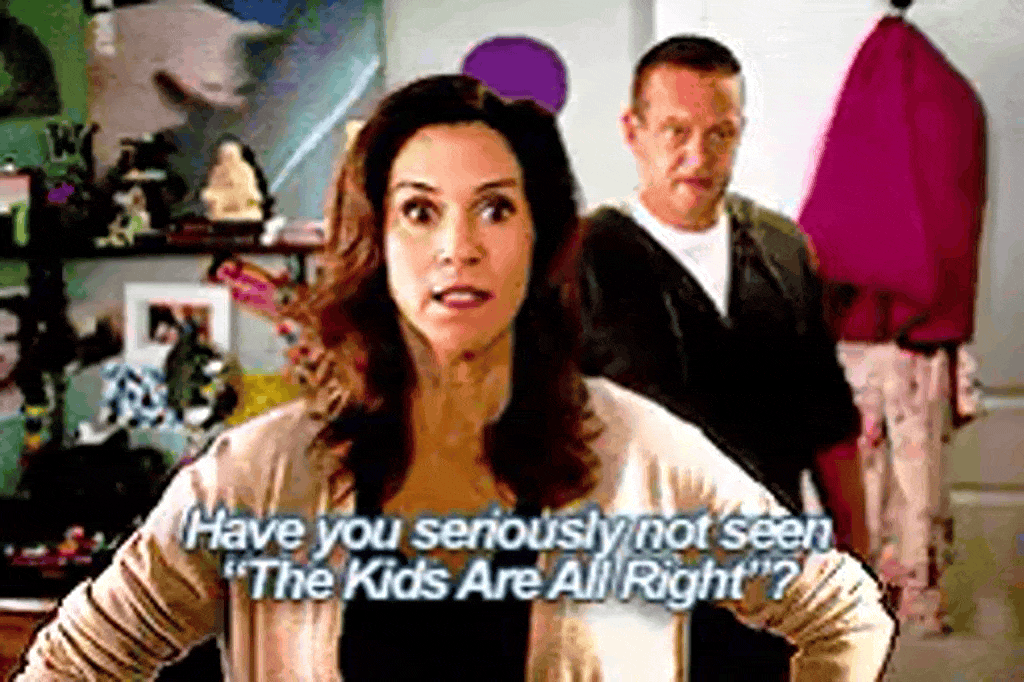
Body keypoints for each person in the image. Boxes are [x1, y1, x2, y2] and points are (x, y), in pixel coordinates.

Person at [15, 75, 894, 681]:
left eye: (495, 209)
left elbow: (844, 616)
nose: (458, 247)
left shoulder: (642, 455)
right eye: (420, 210)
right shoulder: (258, 477)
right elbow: (73, 664)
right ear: (375, 238)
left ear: (538, 238)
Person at [577, 36, 870, 681]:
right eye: (676, 132)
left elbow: (829, 428)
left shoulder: (782, 252)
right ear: (633, 131)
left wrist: (858, 566)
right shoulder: (580, 262)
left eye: (721, 134)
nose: (698, 156)